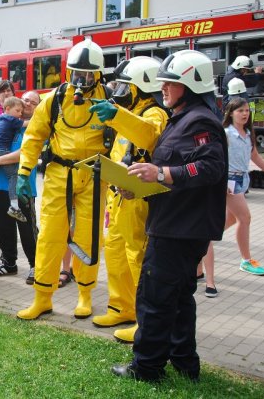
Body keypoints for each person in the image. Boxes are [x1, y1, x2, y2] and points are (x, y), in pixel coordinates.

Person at [111, 50, 228, 382]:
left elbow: (210, 167)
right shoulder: (184, 117)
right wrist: (139, 185)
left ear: (189, 84)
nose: (162, 87)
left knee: (155, 298)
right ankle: (184, 361)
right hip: (177, 222)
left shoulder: (199, 120)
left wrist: (160, 173)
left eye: (169, 82)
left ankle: (146, 367)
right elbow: (183, 173)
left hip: (179, 229)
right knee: (178, 297)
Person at [16, 39, 111, 320]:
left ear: (98, 75)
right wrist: (24, 172)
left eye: (87, 75)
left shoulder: (109, 100)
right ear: (68, 72)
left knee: (89, 238)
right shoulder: (54, 100)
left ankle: (85, 295)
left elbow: (122, 137)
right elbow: (33, 137)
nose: (81, 81)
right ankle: (42, 297)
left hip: (94, 176)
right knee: (50, 236)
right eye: (76, 74)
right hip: (59, 174)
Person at [87, 56, 169, 344]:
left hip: (139, 198)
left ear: (141, 86)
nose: (119, 90)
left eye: (125, 85)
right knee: (116, 253)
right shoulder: (129, 112)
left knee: (137, 257)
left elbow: (149, 137)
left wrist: (118, 116)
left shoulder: (154, 113)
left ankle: (144, 320)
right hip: (120, 196)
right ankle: (122, 307)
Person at [199, 98, 264, 296]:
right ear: (231, 113)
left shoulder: (247, 134)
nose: (245, 114)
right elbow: (216, 158)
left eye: (247, 110)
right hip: (228, 182)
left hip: (241, 181)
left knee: (230, 219)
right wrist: (220, 181)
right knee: (245, 218)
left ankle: (201, 242)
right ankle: (246, 260)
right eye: (240, 111)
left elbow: (255, 157)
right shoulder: (226, 134)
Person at [0, 90, 40, 284]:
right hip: (1, 185)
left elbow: (24, 153)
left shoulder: (35, 127)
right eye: (25, 100)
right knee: (4, 227)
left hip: (23, 185)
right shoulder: (6, 121)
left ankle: (36, 266)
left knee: (27, 228)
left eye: (33, 102)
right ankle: (8, 263)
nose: (27, 104)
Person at [0, 96, 28, 222]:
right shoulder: (10, 118)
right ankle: (14, 206)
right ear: (7, 109)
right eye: (18, 111)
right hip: (2, 151)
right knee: (13, 176)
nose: (20, 114)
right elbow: (26, 124)